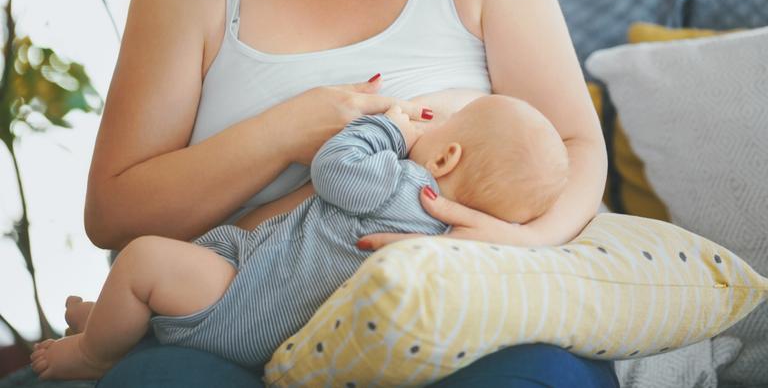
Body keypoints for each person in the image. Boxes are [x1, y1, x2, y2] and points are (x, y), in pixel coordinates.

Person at [77, 0, 615, 386]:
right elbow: (113, 214)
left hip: (454, 324)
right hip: (238, 316)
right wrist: (283, 135)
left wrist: (520, 242)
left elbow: (577, 147)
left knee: (535, 375)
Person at [31, 95, 569, 381]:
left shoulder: (406, 185)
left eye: (446, 124)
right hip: (270, 298)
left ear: (447, 156)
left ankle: (95, 354)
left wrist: (391, 129)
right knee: (180, 264)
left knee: (144, 260)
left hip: (243, 300)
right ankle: (109, 318)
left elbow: (333, 168)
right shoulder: (446, 237)